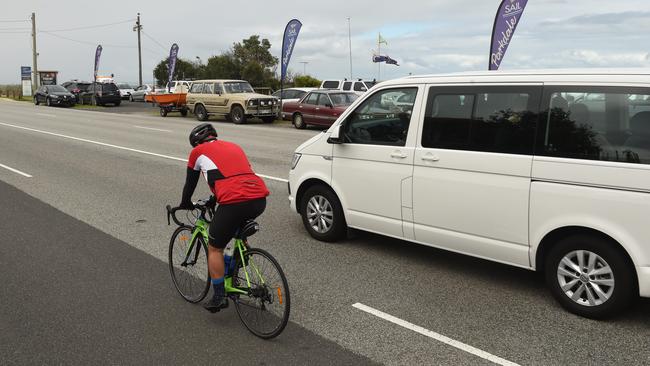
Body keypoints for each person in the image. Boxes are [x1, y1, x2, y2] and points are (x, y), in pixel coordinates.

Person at [179, 123, 269, 313]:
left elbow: (190, 184)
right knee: (235, 235)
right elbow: (235, 176)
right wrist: (215, 198)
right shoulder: (234, 146)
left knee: (214, 247)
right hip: (259, 199)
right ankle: (236, 266)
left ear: (196, 143)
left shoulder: (198, 152)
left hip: (234, 202)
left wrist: (185, 202)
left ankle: (219, 296)